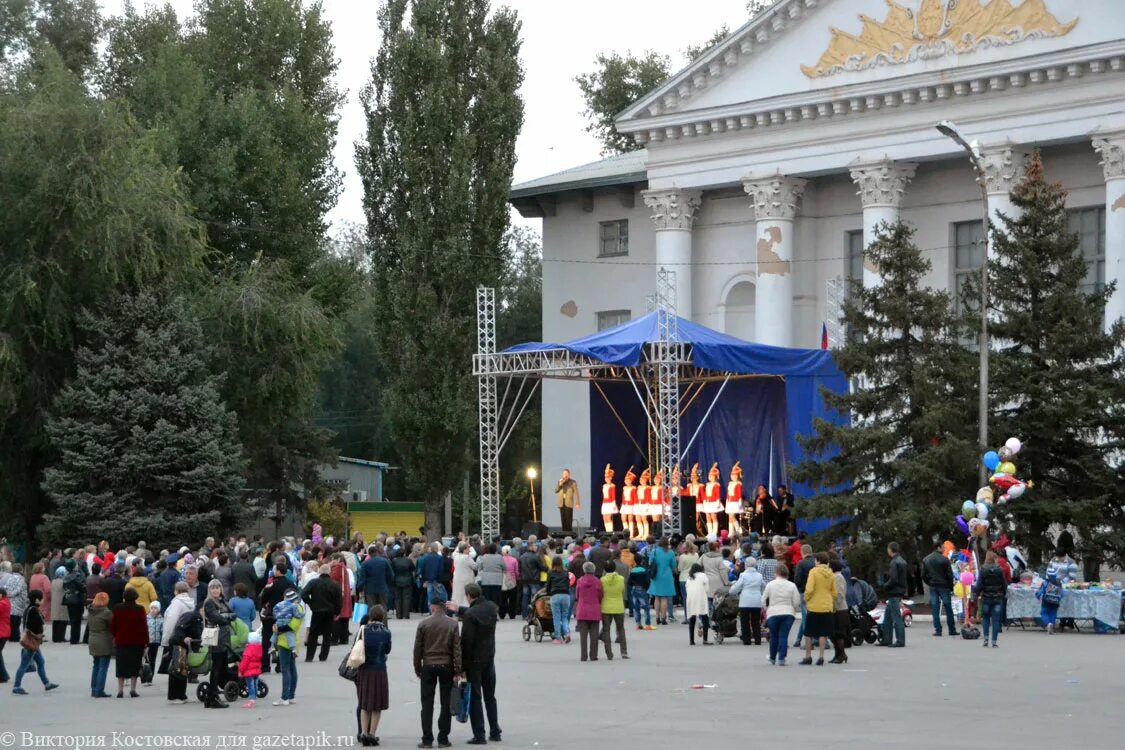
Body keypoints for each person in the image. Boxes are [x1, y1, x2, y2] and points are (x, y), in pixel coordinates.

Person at [453, 582, 501, 745]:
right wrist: (459, 609)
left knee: (475, 697)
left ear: (468, 596)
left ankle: (479, 734)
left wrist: (461, 667)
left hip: (474, 661)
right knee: (490, 696)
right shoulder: (491, 608)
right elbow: (477, 613)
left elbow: (466, 642)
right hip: (489, 657)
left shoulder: (470, 615)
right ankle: (495, 730)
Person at [414, 588, 460, 749]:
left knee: (427, 703)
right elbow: (456, 650)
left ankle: (427, 739)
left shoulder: (423, 624)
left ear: (432, 607)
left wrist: (417, 667)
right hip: (446, 665)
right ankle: (443, 738)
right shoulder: (453, 624)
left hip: (428, 665)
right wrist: (458, 671)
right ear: (443, 607)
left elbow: (417, 649)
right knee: (445, 703)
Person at [352, 605, 392, 746]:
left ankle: (363, 732)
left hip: (364, 669)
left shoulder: (363, 630)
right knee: (377, 705)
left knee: (364, 703)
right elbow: (387, 650)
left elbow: (355, 648)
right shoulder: (386, 632)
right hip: (379, 669)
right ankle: (372, 734)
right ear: (382, 617)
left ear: (370, 616)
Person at [11, 590, 58, 695]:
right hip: (32, 641)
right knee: (24, 665)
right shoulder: (33, 611)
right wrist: (40, 633)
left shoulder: (31, 609)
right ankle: (17, 686)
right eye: (41, 598)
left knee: (40, 661)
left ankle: (46, 683)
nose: (43, 600)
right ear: (37, 599)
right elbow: (33, 625)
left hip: (33, 641)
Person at [203, 579, 236, 708]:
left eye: (217, 587)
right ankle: (213, 698)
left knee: (220, 668)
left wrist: (227, 615)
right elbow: (216, 618)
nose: (215, 590)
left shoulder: (222, 601)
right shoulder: (209, 602)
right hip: (216, 639)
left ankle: (210, 697)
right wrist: (227, 617)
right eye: (213, 588)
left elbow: (233, 613)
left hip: (224, 639)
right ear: (209, 590)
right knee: (216, 669)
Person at [110, 587, 147, 698]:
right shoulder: (140, 609)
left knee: (121, 665)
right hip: (136, 641)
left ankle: (120, 690)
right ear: (136, 597)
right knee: (134, 665)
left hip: (121, 640)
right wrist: (146, 642)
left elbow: (113, 625)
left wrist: (115, 635)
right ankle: (132, 689)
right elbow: (143, 627)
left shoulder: (117, 608)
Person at [301, 564, 343, 663]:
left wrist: (310, 603)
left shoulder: (313, 582)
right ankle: (323, 656)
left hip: (317, 610)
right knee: (327, 634)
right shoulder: (335, 584)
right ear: (329, 572)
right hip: (329, 611)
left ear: (319, 571)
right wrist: (337, 612)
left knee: (313, 634)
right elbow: (339, 600)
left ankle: (309, 656)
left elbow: (303, 594)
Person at [799, 552, 836, 666]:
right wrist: (830, 599)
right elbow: (834, 592)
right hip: (826, 606)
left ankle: (808, 656)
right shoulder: (831, 574)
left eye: (815, 560)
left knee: (808, 633)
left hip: (814, 606)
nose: (814, 562)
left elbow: (809, 589)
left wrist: (806, 598)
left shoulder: (813, 572)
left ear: (818, 561)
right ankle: (821, 656)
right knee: (823, 633)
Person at [271, 588, 305, 706]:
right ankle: (291, 696)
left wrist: (278, 629)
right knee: (292, 668)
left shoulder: (296, 608)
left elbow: (292, 626)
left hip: (285, 641)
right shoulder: (298, 608)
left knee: (285, 669)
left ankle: (285, 697)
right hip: (292, 641)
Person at [763, 564, 801, 665]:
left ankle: (772, 657)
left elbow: (763, 599)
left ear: (776, 573)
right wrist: (792, 608)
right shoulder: (792, 585)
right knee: (783, 636)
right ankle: (781, 658)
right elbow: (797, 601)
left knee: (774, 636)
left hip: (773, 612)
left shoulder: (770, 584)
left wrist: (767, 609)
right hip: (788, 613)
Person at [167, 599, 202, 704]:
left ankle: (182, 695)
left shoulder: (198, 619)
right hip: (178, 643)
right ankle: (173, 697)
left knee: (183, 670)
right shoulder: (190, 616)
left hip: (185, 645)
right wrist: (184, 638)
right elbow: (179, 629)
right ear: (201, 609)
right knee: (177, 670)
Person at [922, 542, 957, 637]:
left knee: (935, 608)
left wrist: (929, 582)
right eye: (943, 547)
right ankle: (952, 629)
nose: (944, 549)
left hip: (933, 585)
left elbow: (923, 575)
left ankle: (938, 630)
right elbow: (950, 575)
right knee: (948, 607)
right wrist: (951, 587)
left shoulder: (926, 559)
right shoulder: (944, 560)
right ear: (938, 548)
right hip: (944, 586)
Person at [879, 542, 908, 648]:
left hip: (894, 592)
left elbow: (893, 579)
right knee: (888, 617)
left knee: (896, 617)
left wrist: (885, 586)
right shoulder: (902, 561)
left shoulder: (894, 562)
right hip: (899, 591)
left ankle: (900, 640)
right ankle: (886, 639)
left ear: (890, 550)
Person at [729, 556, 764, 646]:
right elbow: (764, 587)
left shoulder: (743, 575)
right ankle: (757, 640)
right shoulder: (759, 576)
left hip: (745, 601)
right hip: (756, 601)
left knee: (745, 622)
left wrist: (731, 590)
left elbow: (736, 588)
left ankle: (746, 640)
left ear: (746, 565)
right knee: (756, 622)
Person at [975, 551, 1007, 648]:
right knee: (996, 620)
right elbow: (1004, 584)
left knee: (985, 618)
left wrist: (977, 593)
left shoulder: (983, 569)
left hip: (986, 597)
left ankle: (985, 639)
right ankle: (994, 641)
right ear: (994, 559)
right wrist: (1003, 593)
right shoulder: (999, 570)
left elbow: (978, 585)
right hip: (997, 598)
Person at [599, 559, 628, 659]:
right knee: (621, 629)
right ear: (615, 568)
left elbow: (600, 593)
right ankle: (624, 651)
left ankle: (609, 653)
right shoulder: (621, 578)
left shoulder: (602, 580)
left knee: (606, 630)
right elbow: (622, 590)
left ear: (605, 569)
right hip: (618, 606)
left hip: (605, 606)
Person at [575, 562, 603, 662]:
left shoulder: (579, 581)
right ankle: (593, 655)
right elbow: (600, 596)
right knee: (594, 635)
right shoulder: (598, 582)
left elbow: (577, 595)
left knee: (583, 636)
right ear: (594, 570)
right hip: (595, 610)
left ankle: (583, 656)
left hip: (582, 610)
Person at [87, 593, 113, 698]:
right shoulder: (106, 613)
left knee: (96, 665)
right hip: (104, 640)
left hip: (92, 640)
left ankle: (94, 689)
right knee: (103, 666)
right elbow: (113, 625)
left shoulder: (91, 611)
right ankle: (99, 690)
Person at [647, 536, 677, 626]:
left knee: (656, 597)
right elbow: (673, 565)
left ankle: (657, 618)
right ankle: (664, 618)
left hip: (656, 576)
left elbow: (650, 562)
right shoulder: (670, 552)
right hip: (667, 576)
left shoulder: (654, 551)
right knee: (664, 598)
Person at [791, 544, 815, 646]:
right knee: (811, 615)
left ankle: (808, 642)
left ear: (802, 552)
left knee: (805, 617)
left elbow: (797, 579)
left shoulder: (801, 563)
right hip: (815, 592)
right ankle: (798, 639)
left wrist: (799, 589)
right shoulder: (815, 562)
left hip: (804, 592)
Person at [357, 545, 394, 609]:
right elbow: (391, 575)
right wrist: (388, 585)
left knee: (371, 608)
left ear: (368, 553)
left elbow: (362, 579)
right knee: (383, 607)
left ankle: (373, 619)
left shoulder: (365, 564)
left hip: (370, 590)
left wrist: (359, 589)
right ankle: (383, 618)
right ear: (377, 552)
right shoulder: (384, 562)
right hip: (383, 588)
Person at [545, 557, 571, 644]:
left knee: (556, 617)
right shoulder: (566, 572)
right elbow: (568, 584)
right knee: (564, 617)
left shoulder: (550, 572)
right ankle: (567, 633)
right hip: (566, 595)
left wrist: (548, 593)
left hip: (555, 595)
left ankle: (558, 638)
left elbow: (548, 585)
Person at [828, 559, 850, 664]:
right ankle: (838, 654)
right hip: (837, 608)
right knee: (834, 634)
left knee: (838, 633)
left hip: (839, 609)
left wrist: (834, 606)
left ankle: (841, 655)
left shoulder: (838, 577)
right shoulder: (835, 576)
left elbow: (840, 594)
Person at [684, 562, 711, 645]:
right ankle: (705, 640)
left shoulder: (689, 577)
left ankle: (691, 640)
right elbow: (707, 589)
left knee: (692, 618)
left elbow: (686, 588)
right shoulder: (703, 575)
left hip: (690, 599)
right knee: (705, 617)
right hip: (701, 598)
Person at [518, 541, 545, 618]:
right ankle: (534, 614)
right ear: (531, 547)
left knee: (525, 596)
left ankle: (525, 614)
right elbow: (542, 567)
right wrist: (546, 568)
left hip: (524, 580)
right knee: (534, 597)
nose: (536, 547)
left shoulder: (522, 557)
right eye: (535, 546)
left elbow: (519, 569)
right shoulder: (536, 556)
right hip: (534, 579)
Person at [62, 561, 87, 645]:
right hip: (77, 599)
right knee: (77, 620)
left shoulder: (66, 576)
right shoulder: (77, 576)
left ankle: (73, 638)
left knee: (72, 619)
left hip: (68, 599)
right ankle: (75, 639)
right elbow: (82, 587)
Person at [239, 631, 263, 708]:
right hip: (256, 669)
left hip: (249, 671)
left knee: (250, 685)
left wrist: (240, 670)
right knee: (255, 684)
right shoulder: (259, 648)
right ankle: (254, 697)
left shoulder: (249, 649)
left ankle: (251, 700)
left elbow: (245, 661)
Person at [627, 555, 652, 630]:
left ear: (634, 561)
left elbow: (629, 582)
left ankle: (638, 624)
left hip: (634, 589)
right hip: (642, 589)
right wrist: (646, 588)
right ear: (642, 561)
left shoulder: (633, 570)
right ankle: (647, 624)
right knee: (646, 607)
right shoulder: (644, 570)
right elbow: (648, 581)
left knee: (636, 607)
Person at [390, 546, 415, 620]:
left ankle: (399, 615)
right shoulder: (408, 560)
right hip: (407, 580)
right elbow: (413, 568)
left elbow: (392, 570)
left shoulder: (394, 561)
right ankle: (406, 614)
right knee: (406, 598)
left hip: (397, 580)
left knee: (398, 598)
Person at [677, 539, 699, 621]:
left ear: (686, 548)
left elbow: (679, 568)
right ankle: (694, 616)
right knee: (693, 598)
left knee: (685, 599)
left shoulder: (682, 557)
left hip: (683, 578)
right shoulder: (696, 555)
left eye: (683, 548)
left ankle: (687, 618)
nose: (682, 549)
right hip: (694, 578)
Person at [451, 541, 478, 608]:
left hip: (457, 579)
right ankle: (465, 610)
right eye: (468, 549)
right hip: (466, 579)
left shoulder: (455, 557)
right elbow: (475, 566)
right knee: (465, 596)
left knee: (458, 595)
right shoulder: (467, 557)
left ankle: (457, 609)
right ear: (465, 549)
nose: (469, 551)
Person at [556, 468, 580, 533]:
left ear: (569, 475)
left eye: (566, 474)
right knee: (563, 520)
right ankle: (564, 535)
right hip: (561, 503)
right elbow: (556, 491)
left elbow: (576, 493)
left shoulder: (572, 482)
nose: (565, 475)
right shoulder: (560, 481)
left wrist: (577, 503)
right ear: (562, 474)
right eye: (564, 474)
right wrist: (560, 484)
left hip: (568, 503)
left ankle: (569, 535)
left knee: (568, 521)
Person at [143, 601, 162, 686]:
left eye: (155, 608)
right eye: (152, 608)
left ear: (159, 609)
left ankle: (150, 678)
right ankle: (145, 677)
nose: (153, 610)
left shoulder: (161, 619)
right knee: (146, 660)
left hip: (156, 642)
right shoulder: (146, 618)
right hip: (148, 642)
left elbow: (163, 630)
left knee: (153, 660)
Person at [499, 545, 520, 620]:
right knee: (512, 598)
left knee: (502, 598)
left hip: (502, 579)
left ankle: (502, 613)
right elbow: (516, 571)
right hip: (512, 579)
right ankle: (512, 614)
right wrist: (517, 578)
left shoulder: (500, 559)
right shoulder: (514, 560)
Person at [0, 588, 9, 683]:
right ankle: (3, 675)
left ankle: (3, 676)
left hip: (2, 632)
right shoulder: (4, 602)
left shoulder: (3, 604)